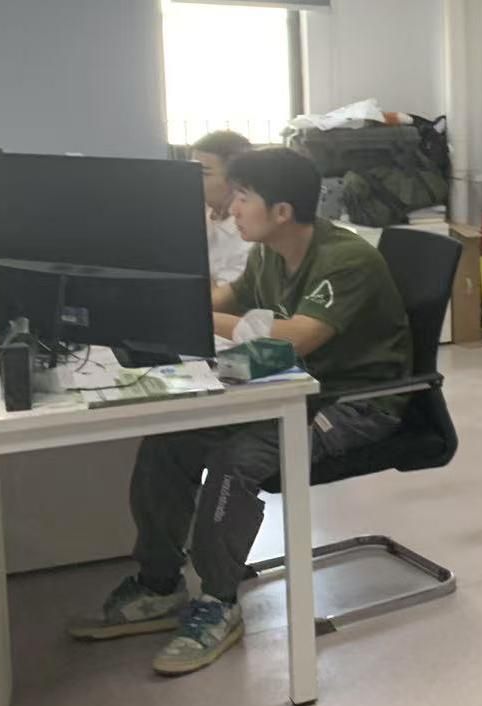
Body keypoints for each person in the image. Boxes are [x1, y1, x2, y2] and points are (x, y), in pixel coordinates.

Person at [69, 148, 413, 675]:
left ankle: (219, 602)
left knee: (235, 460)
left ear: (282, 211)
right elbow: (225, 300)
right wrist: (149, 298)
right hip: (290, 387)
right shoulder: (270, 252)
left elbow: (297, 338)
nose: (232, 208)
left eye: (244, 197)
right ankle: (159, 584)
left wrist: (199, 317)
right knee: (170, 442)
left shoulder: (346, 260)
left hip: (353, 403)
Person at [191, 129, 252, 287]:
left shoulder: (250, 235)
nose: (191, 179)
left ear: (235, 180)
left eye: (203, 173)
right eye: (190, 171)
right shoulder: (201, 212)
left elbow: (220, 297)